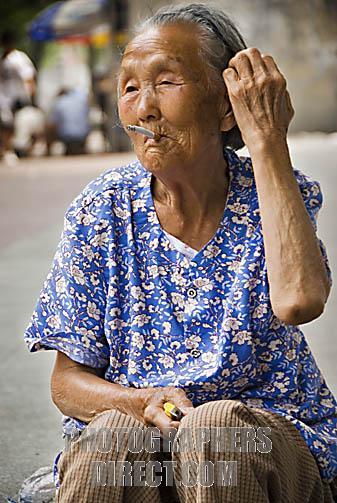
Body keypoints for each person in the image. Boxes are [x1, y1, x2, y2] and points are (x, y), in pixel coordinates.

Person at [24, 3, 337, 502]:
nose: (144, 106)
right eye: (129, 88)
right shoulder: (103, 210)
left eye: (167, 82)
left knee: (216, 433)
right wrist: (140, 402)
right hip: (144, 444)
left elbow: (300, 301)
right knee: (110, 439)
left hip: (260, 447)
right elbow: (67, 383)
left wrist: (267, 142)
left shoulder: (274, 192)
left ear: (224, 104)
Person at [0, 30, 36, 165]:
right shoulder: (2, 59)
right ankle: (8, 150)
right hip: (4, 98)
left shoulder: (19, 58)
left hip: (17, 96)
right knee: (7, 125)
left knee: (18, 124)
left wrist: (31, 93)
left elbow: (28, 76)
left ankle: (18, 149)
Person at [46, 87, 90, 156]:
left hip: (66, 136)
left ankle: (47, 154)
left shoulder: (59, 102)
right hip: (83, 134)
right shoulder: (81, 101)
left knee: (50, 129)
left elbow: (52, 123)